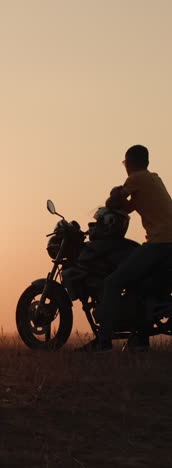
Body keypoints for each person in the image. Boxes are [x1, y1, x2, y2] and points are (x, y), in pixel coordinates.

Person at [79, 144, 172, 352]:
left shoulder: (136, 178)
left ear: (129, 163)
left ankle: (103, 342)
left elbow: (112, 202)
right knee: (139, 284)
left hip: (160, 242)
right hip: (167, 242)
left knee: (112, 282)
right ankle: (140, 340)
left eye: (125, 163)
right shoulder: (152, 179)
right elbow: (126, 207)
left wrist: (114, 194)